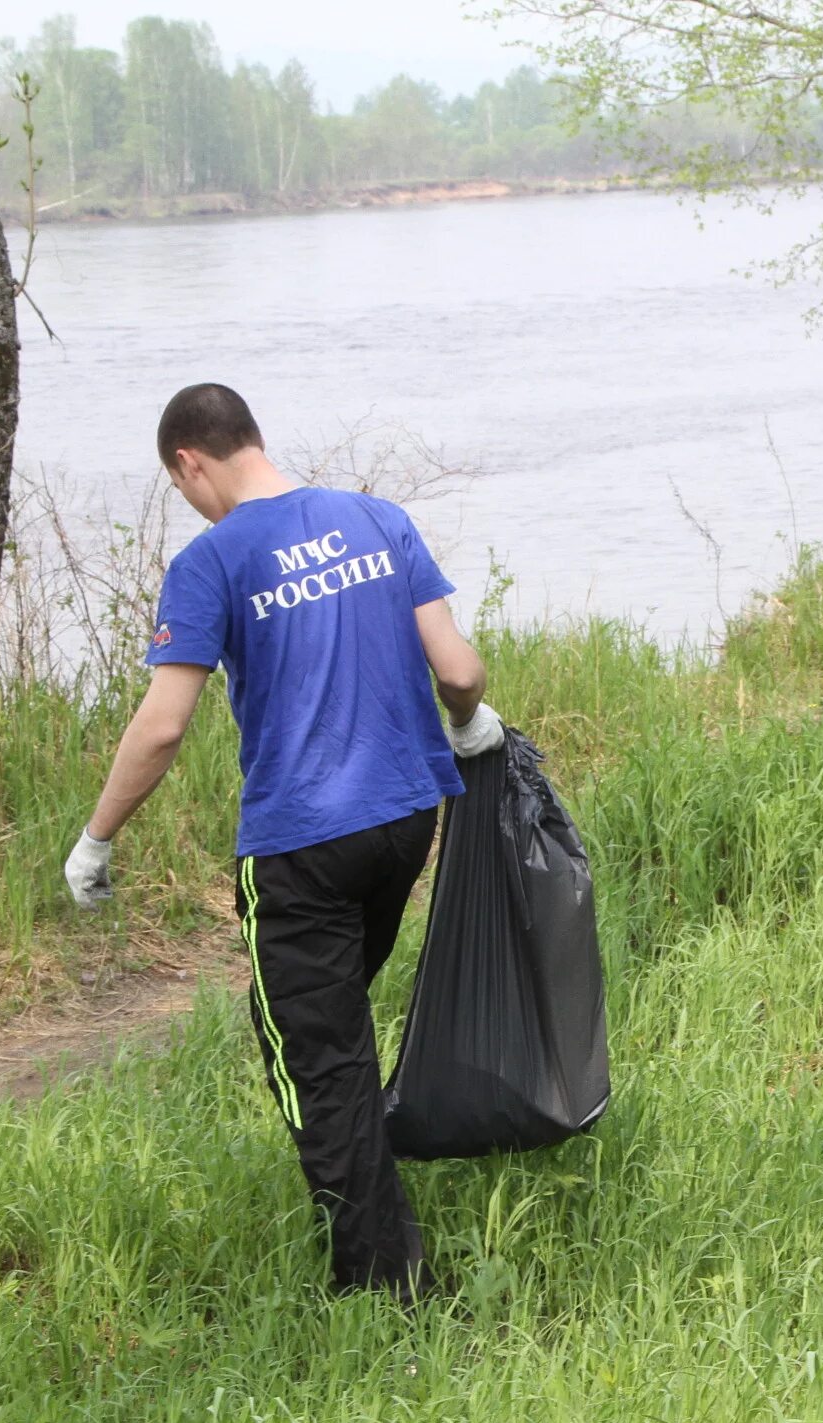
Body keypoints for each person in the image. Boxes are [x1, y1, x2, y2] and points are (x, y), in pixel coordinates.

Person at [62, 383, 504, 1301]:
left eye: (180, 483)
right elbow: (459, 669)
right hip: (403, 823)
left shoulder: (212, 560)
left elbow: (161, 728)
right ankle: (377, 1215)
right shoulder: (377, 520)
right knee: (335, 1030)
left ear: (190, 461)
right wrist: (466, 725)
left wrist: (96, 838)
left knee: (314, 1057)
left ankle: (385, 1290)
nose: (189, 498)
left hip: (301, 845)